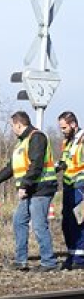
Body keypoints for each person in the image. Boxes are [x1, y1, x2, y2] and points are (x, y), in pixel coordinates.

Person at [0, 110, 58, 272]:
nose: (12, 129)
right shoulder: (21, 143)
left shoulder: (37, 137)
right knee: (19, 221)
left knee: (39, 225)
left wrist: (24, 186)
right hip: (30, 189)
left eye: (12, 126)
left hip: (41, 188)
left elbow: (36, 165)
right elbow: (11, 168)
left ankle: (49, 262)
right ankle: (21, 261)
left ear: (19, 124)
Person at [56, 111, 84, 269]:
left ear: (73, 124)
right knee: (67, 223)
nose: (62, 130)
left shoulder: (82, 140)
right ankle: (72, 254)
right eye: (61, 128)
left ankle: (80, 258)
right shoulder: (67, 142)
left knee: (79, 221)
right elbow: (66, 161)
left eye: (64, 127)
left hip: (81, 186)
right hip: (69, 186)